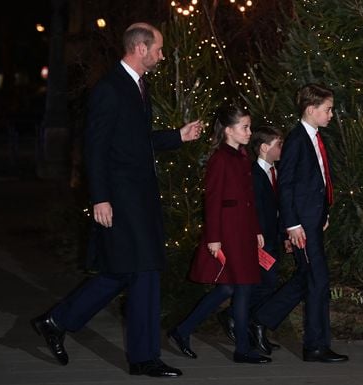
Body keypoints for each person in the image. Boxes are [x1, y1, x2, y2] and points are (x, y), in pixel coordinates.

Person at [30, 22, 203, 378]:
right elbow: (95, 148)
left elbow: (135, 141)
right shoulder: (110, 88)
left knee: (127, 270)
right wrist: (101, 198)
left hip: (139, 197)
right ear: (140, 48)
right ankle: (143, 358)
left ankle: (56, 320)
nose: (161, 55)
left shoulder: (139, 86)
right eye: (158, 49)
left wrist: (177, 136)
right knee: (142, 269)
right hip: (122, 199)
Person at [249, 83, 349, 363]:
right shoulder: (296, 140)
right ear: (311, 109)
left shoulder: (315, 137)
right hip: (302, 226)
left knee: (308, 278)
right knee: (317, 281)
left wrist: (323, 212)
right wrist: (292, 225)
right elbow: (287, 185)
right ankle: (315, 346)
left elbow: (315, 181)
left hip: (313, 220)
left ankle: (258, 318)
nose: (331, 114)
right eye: (328, 109)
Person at [167, 104, 271, 364]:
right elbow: (212, 201)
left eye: (249, 126)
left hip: (244, 232)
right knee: (243, 287)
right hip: (228, 233)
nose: (249, 132)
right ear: (228, 130)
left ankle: (182, 330)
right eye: (244, 127)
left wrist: (256, 229)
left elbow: (248, 198)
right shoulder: (220, 158)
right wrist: (213, 238)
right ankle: (243, 350)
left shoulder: (242, 156)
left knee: (227, 288)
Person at [217, 125, 291, 352]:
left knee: (266, 285)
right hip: (258, 240)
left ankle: (252, 325)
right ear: (264, 148)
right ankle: (238, 318)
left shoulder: (275, 172)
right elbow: (252, 210)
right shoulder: (253, 175)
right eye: (279, 145)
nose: (282, 149)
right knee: (263, 286)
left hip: (272, 237)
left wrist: (283, 235)